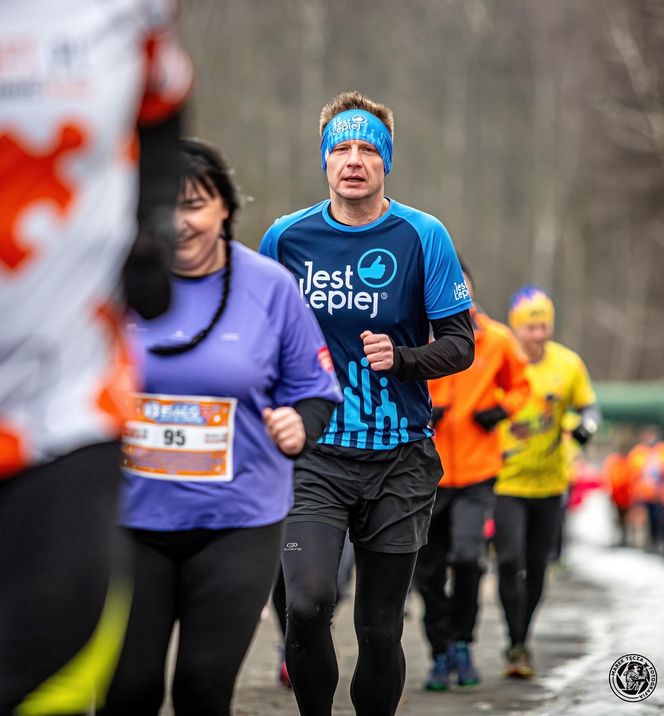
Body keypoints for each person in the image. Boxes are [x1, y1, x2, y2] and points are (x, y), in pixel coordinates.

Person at [101, 139, 341, 716]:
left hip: (236, 523)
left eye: (194, 205)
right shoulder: (112, 280)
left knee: (202, 691)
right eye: (163, 208)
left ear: (225, 208)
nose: (179, 224)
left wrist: (299, 427)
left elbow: (314, 389)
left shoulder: (270, 288)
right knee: (126, 691)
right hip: (129, 520)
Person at [0, 2, 191, 713]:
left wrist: (153, 223)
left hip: (64, 400)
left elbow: (163, 99)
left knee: (44, 655)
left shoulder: (128, 14)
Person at [259, 90, 475, 716]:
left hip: (399, 455)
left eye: (368, 149)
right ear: (325, 161)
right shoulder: (285, 238)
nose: (354, 160)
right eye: (341, 149)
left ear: (387, 163)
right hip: (316, 451)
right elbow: (259, 334)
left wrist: (403, 357)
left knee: (380, 629)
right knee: (307, 604)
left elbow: (461, 345)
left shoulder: (422, 235)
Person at [414, 261, 530, 691]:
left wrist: (501, 410)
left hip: (478, 470)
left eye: (461, 289)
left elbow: (523, 386)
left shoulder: (497, 339)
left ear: (471, 291)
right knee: (426, 571)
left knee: (468, 558)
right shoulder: (418, 335)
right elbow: (389, 381)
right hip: (426, 471)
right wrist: (423, 411)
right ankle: (440, 652)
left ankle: (463, 642)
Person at [494, 285, 600, 678]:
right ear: (516, 327)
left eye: (544, 326)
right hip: (506, 481)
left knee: (538, 567)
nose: (539, 334)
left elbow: (589, 406)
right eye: (531, 327)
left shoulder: (568, 364)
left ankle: (519, 640)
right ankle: (512, 634)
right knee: (508, 561)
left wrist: (587, 425)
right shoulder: (503, 363)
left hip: (551, 483)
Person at [626, 426, 664, 552]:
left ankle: (656, 541)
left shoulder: (661, 450)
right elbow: (632, 471)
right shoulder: (638, 452)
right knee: (641, 519)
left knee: (657, 519)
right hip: (642, 493)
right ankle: (642, 542)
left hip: (658, 494)